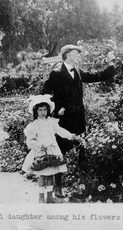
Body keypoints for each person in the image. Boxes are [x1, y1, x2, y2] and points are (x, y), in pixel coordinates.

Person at [40, 44, 116, 199]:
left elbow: (96, 76)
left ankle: (83, 184)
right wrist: (56, 107)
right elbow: (44, 92)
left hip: (78, 118)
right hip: (64, 121)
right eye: (76, 54)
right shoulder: (56, 73)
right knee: (60, 153)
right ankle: (58, 187)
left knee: (82, 148)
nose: (79, 56)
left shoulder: (78, 72)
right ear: (67, 55)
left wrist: (111, 66)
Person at [21, 94, 84, 203]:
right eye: (40, 110)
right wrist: (40, 145)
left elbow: (60, 131)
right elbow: (30, 141)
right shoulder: (34, 125)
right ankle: (41, 197)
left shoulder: (51, 122)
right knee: (43, 175)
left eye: (45, 109)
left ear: (48, 110)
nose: (43, 112)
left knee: (51, 174)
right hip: (41, 152)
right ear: (36, 111)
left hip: (52, 151)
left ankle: (49, 196)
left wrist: (73, 136)